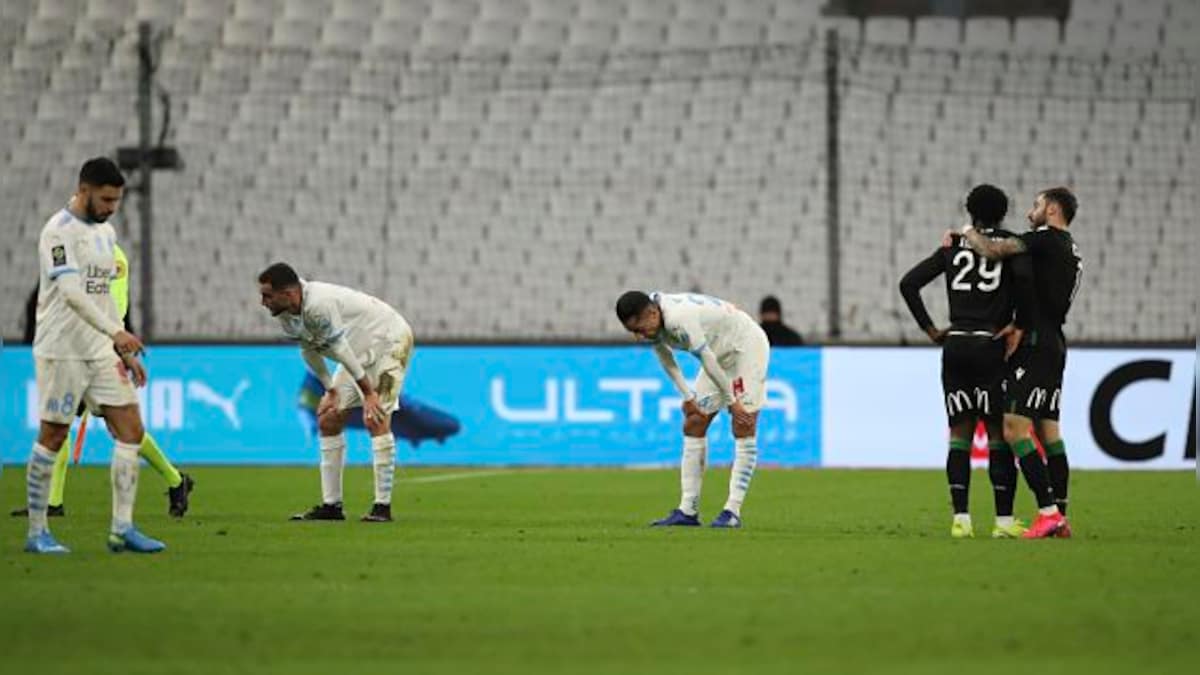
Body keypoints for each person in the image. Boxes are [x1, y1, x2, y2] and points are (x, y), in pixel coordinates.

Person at [23, 156, 164, 554]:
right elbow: (70, 293)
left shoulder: (107, 233)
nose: (111, 208)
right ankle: (37, 532)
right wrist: (116, 332)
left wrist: (119, 346)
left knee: (131, 429)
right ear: (83, 190)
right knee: (53, 434)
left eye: (116, 201)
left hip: (100, 350)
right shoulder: (58, 232)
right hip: (61, 350)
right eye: (105, 199)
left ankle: (122, 529)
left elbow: (101, 297)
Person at [11, 243, 195, 519]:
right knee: (58, 421)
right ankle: (53, 503)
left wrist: (120, 352)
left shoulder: (113, 259)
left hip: (98, 352)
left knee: (122, 428)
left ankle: (176, 481)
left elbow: (115, 311)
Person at [899, 184, 1035, 539]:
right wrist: (1017, 323)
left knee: (958, 434)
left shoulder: (953, 244)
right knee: (996, 435)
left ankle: (961, 519)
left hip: (955, 346)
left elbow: (909, 284)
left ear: (969, 210)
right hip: (991, 345)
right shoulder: (1010, 245)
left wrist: (931, 330)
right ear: (1003, 213)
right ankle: (1004, 522)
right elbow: (1023, 281)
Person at [958, 186, 1083, 539]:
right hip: (1055, 342)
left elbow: (994, 250)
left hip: (1034, 343)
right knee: (1049, 431)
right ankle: (1061, 516)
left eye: (1037, 205)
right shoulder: (1071, 249)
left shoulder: (1044, 239)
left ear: (1053, 210)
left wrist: (968, 232)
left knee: (1014, 429)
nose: (1031, 211)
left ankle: (1048, 514)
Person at [258, 262, 415, 523]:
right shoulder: (286, 314)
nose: (263, 302)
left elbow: (340, 351)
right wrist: (330, 389)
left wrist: (368, 394)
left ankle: (382, 507)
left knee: (375, 417)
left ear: (288, 293)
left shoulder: (318, 304)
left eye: (267, 295)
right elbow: (308, 351)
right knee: (328, 417)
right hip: (358, 349)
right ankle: (332, 506)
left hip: (390, 339)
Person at [615, 290, 770, 529]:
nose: (639, 336)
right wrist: (687, 396)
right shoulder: (654, 320)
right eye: (633, 332)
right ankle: (688, 510)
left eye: (640, 329)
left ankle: (732, 511)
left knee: (743, 422)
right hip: (719, 352)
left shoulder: (678, 318)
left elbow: (706, 358)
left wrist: (732, 401)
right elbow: (666, 358)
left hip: (745, 347)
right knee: (694, 421)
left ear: (653, 313)